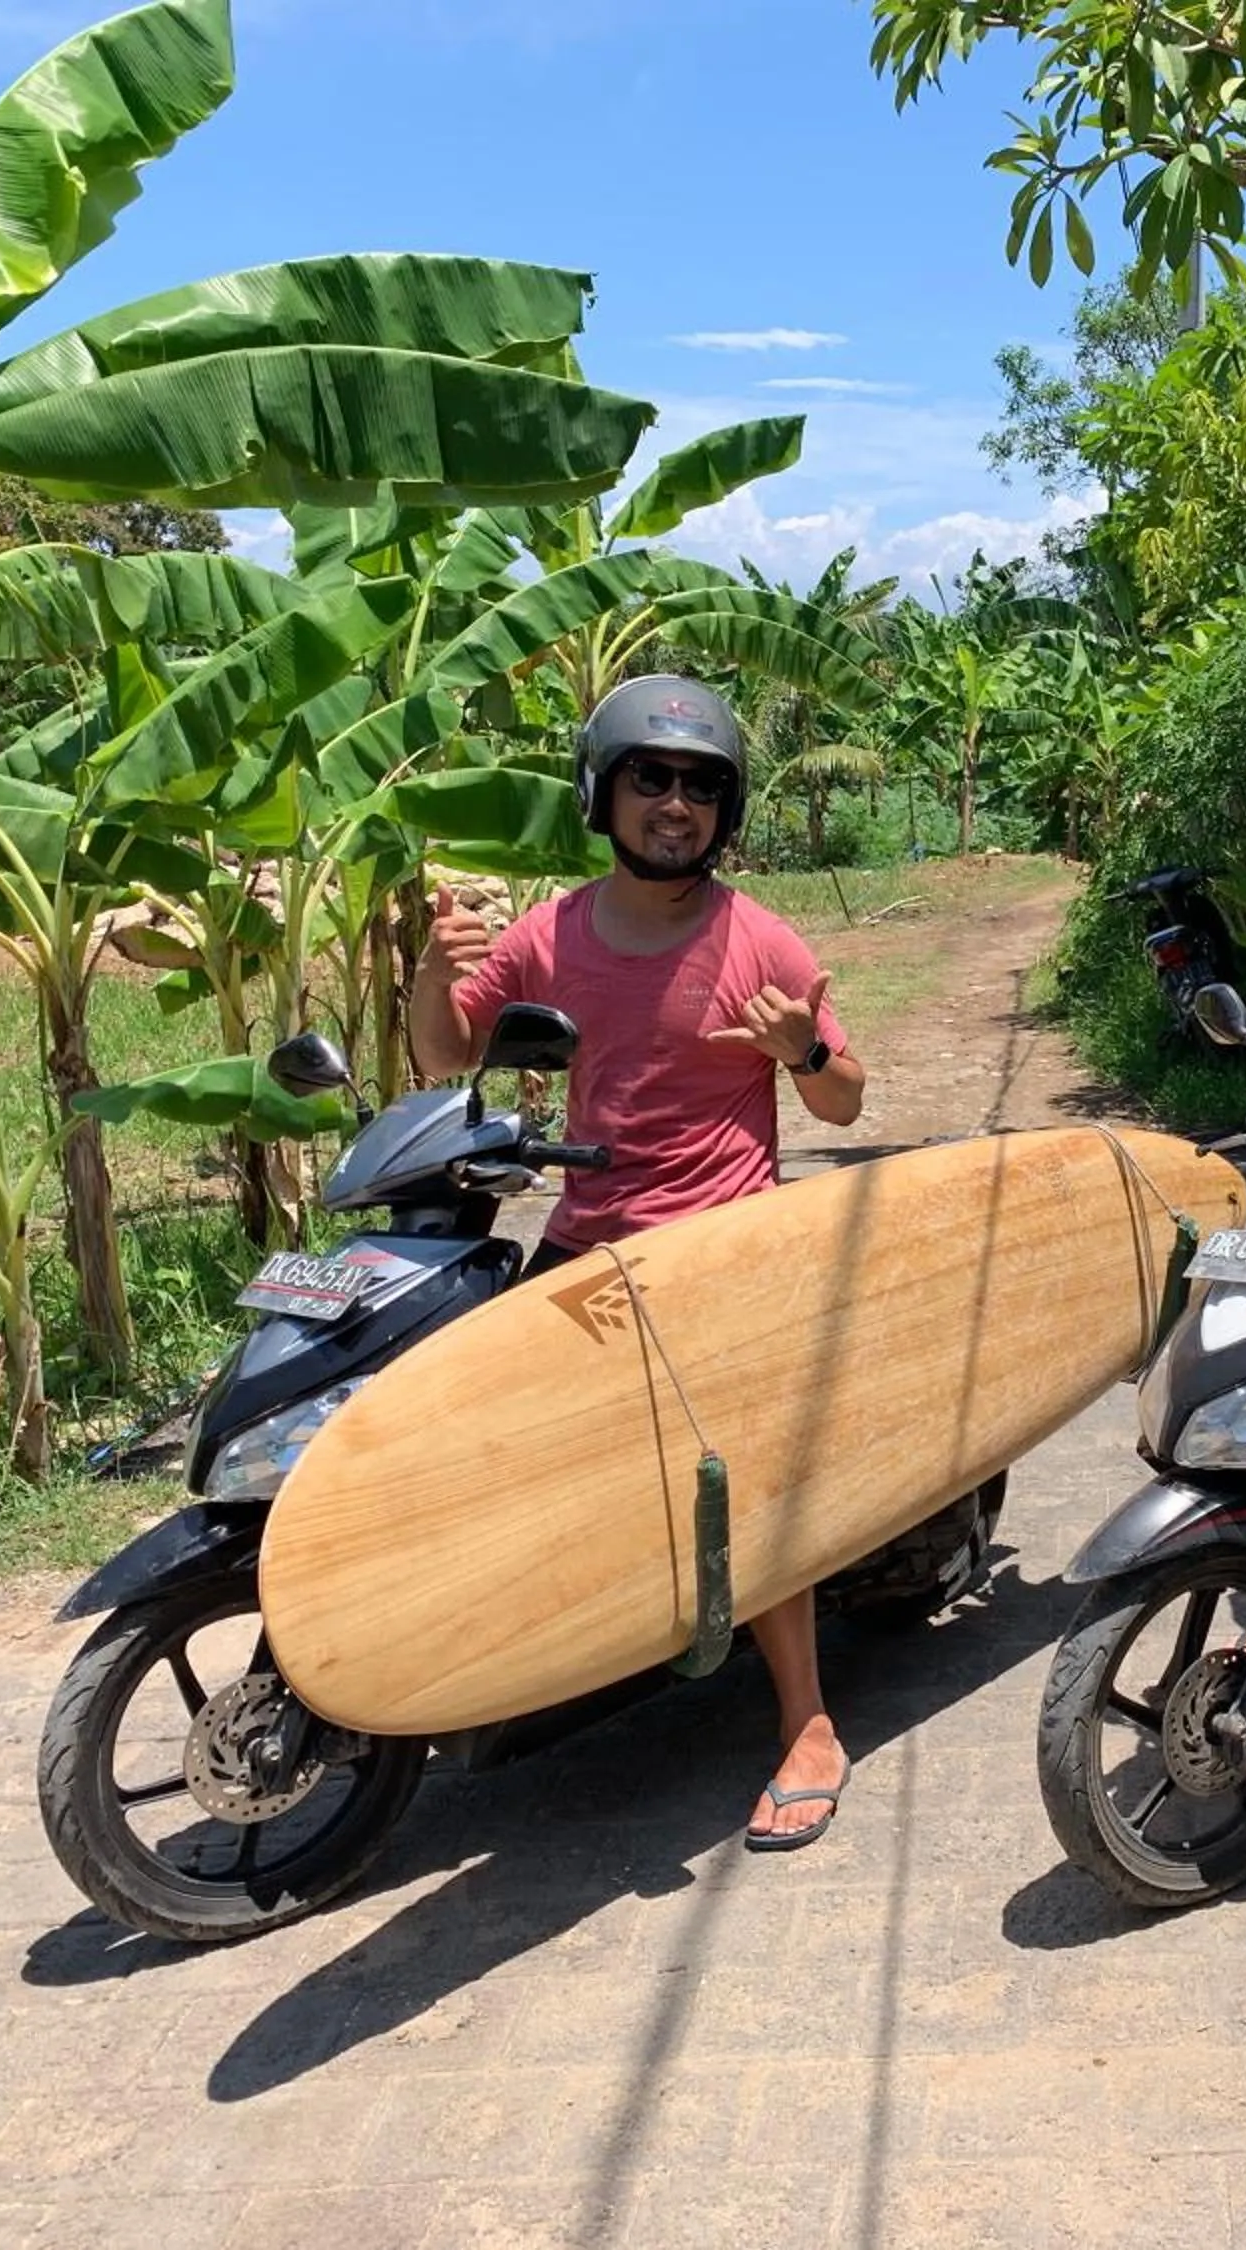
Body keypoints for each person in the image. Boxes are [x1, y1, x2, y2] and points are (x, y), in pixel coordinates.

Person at [412, 674, 870, 1852]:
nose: (676, 804)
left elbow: (845, 1101)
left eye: (701, 787)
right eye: (651, 779)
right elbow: (448, 1053)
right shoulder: (552, 933)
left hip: (720, 1245)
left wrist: (804, 1050)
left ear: (728, 810)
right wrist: (430, 973)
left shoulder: (757, 938)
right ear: (602, 792)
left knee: (739, 1471)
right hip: (586, 1243)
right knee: (482, 1428)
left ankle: (809, 1722)